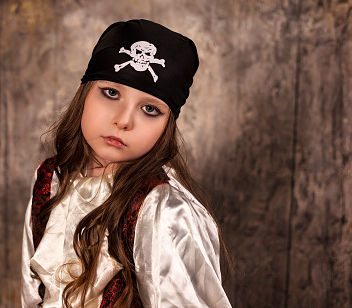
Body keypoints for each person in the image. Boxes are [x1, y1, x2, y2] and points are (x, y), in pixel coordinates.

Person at [21, 19, 232, 308]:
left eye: (149, 109)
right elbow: (31, 294)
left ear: (166, 125)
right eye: (111, 93)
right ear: (85, 93)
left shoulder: (163, 209)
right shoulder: (49, 180)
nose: (123, 120)